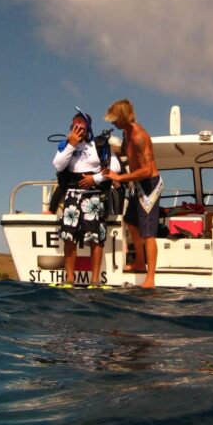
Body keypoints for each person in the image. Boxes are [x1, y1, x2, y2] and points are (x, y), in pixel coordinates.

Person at [51, 109, 121, 288]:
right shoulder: (66, 145)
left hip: (94, 196)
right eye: (74, 127)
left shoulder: (99, 146)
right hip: (72, 194)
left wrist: (94, 179)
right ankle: (69, 279)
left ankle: (95, 280)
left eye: (81, 127)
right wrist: (71, 145)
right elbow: (58, 165)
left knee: (95, 237)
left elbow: (115, 168)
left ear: (88, 129)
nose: (77, 130)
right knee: (68, 236)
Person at [102, 99, 162, 289]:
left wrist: (120, 177)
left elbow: (146, 169)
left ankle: (150, 278)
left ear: (123, 118)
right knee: (131, 221)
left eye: (114, 120)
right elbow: (128, 154)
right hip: (137, 184)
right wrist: (107, 149)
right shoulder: (126, 133)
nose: (112, 124)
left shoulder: (139, 136)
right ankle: (139, 261)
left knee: (148, 233)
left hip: (149, 185)